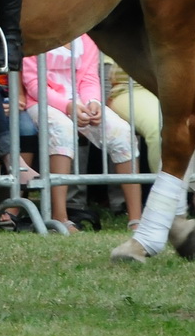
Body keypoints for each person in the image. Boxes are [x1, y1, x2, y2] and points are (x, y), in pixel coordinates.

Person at [20, 35, 143, 232]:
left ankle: (136, 219)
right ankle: (60, 217)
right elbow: (33, 84)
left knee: (122, 132)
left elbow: (89, 78)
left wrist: (93, 102)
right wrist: (68, 106)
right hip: (43, 101)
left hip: (80, 101)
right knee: (63, 129)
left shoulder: (86, 38)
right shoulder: (36, 35)